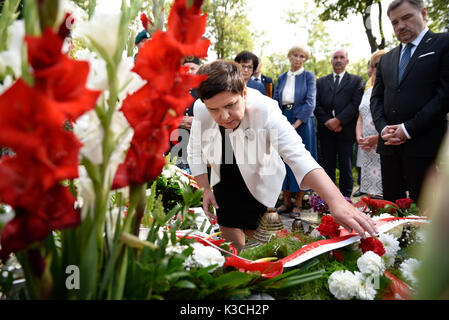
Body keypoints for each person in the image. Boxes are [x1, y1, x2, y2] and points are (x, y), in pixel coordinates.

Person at [187, 60, 378, 252]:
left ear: (244, 93)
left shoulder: (266, 110)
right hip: (223, 163)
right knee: (227, 222)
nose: (224, 116)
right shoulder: (201, 108)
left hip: (258, 170)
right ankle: (235, 264)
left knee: (257, 235)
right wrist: (205, 188)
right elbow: (194, 150)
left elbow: (298, 155)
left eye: (230, 105)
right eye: (214, 109)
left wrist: (336, 201)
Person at [370, 0, 449, 202]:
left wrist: (408, 129)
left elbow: (444, 94)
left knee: (424, 211)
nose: (400, 26)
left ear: (423, 13)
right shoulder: (387, 58)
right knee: (391, 213)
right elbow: (376, 98)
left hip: (425, 145)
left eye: (406, 17)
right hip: (389, 147)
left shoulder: (443, 43)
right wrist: (382, 128)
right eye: (394, 22)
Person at [273, 45, 318, 218]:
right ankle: (285, 201)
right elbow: (276, 99)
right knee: (282, 157)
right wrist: (281, 121)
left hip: (303, 121)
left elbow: (310, 102)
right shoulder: (282, 77)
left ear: (305, 59)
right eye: (295, 55)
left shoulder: (308, 76)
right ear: (289, 56)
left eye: (302, 56)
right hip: (283, 116)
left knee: (301, 159)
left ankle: (298, 202)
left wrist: (296, 123)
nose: (298, 59)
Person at [314, 49, 364, 198]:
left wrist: (338, 121)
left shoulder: (356, 81)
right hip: (326, 131)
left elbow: (355, 104)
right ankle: (329, 197)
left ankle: (346, 197)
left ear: (347, 61)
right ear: (331, 60)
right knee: (327, 166)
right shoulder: (321, 81)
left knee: (346, 166)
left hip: (346, 130)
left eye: (342, 57)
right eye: (335, 57)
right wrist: (328, 122)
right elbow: (316, 104)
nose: (338, 60)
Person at [356, 50, 387, 199]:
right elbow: (360, 119)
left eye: (381, 64)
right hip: (366, 148)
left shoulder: (391, 90)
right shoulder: (367, 91)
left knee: (385, 192)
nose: (377, 69)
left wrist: (376, 138)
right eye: (375, 65)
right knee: (370, 195)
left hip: (383, 145)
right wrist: (359, 137)